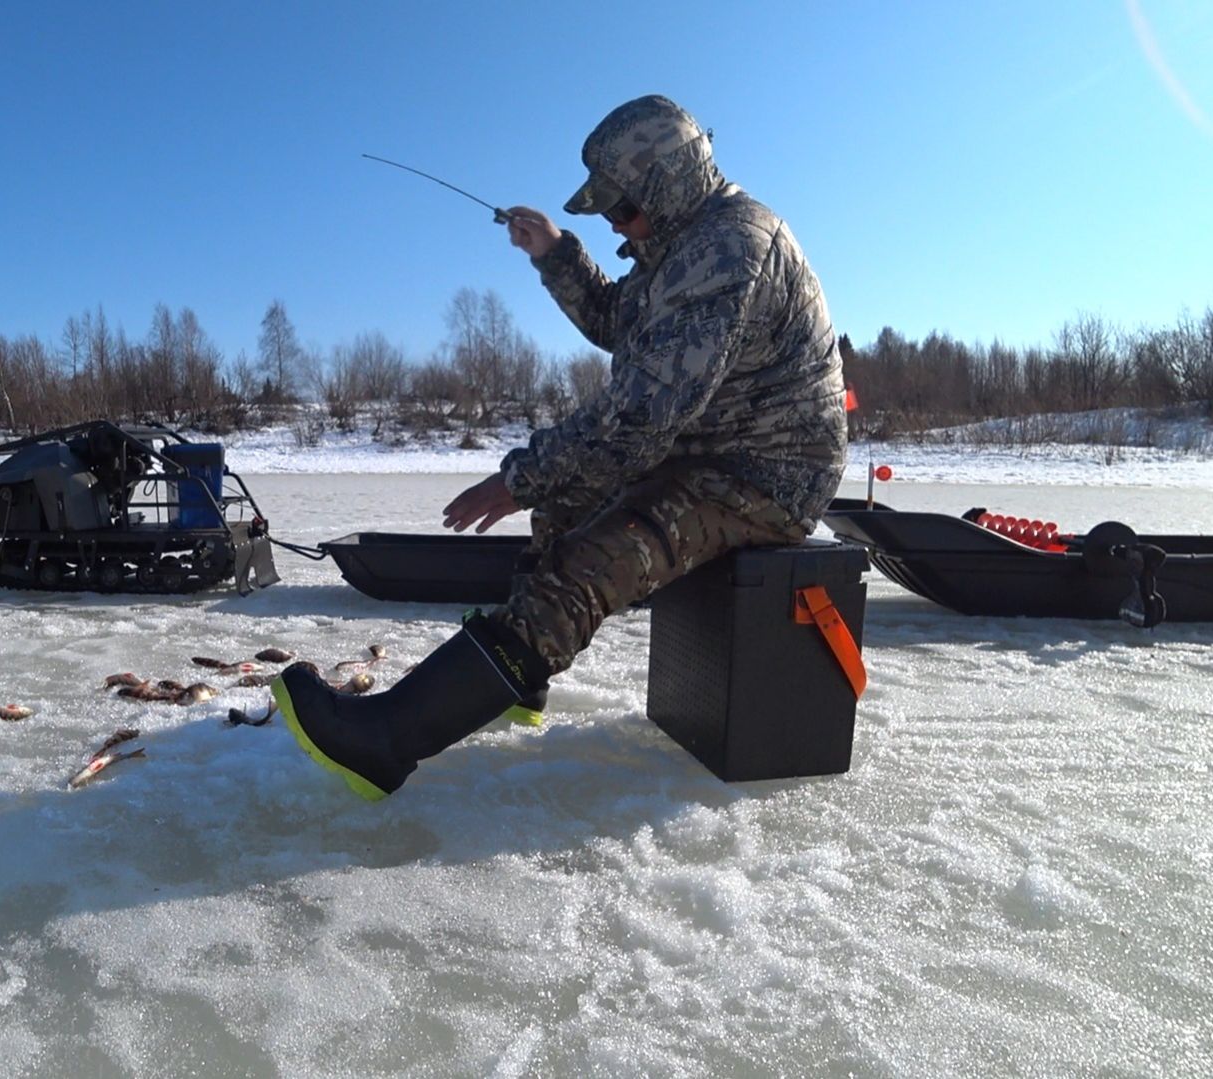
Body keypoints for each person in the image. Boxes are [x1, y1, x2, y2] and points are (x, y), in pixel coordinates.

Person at [276, 94, 847, 800]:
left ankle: (384, 742)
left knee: (594, 556)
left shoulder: (727, 248)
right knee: (568, 496)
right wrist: (556, 253)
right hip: (709, 448)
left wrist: (516, 478)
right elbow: (618, 321)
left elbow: (640, 415)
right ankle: (522, 667)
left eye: (623, 208)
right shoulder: (676, 244)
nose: (614, 222)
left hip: (766, 473)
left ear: (667, 184)